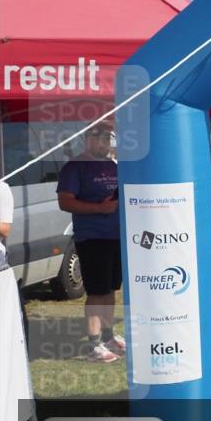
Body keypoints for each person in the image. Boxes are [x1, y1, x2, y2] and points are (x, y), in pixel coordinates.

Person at [56, 126, 125, 363]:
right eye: (101, 137)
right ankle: (94, 345)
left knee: (111, 288)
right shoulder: (74, 167)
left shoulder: (111, 166)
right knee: (96, 291)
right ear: (88, 139)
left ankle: (108, 336)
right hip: (92, 237)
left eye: (108, 137)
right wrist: (99, 208)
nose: (105, 142)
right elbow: (65, 202)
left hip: (116, 235)